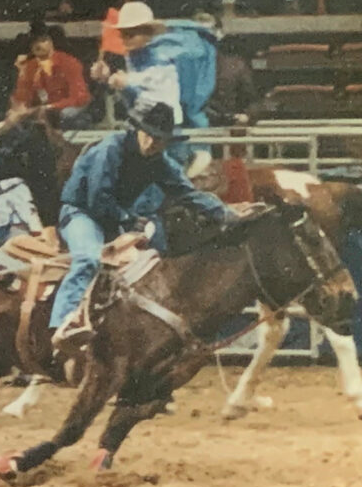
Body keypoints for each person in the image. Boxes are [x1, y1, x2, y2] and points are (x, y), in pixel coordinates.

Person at [49, 98, 235, 360]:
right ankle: (62, 326)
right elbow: (96, 199)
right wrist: (129, 219)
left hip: (116, 220)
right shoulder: (110, 150)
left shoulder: (160, 162)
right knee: (88, 258)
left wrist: (225, 213)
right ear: (137, 130)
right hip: (82, 214)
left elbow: (187, 193)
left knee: (148, 269)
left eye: (160, 139)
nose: (153, 143)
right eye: (150, 135)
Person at [93, 0, 218, 172]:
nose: (125, 39)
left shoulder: (162, 55)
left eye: (131, 34)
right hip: (142, 125)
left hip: (164, 129)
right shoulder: (133, 56)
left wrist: (125, 82)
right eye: (123, 34)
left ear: (148, 33)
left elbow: (154, 85)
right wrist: (106, 77)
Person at [10, 19, 89, 113]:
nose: (38, 45)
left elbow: (80, 98)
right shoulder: (29, 67)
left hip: (65, 111)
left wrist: (51, 107)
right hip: (40, 113)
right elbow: (22, 97)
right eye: (34, 42)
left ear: (52, 43)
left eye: (43, 40)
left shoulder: (69, 63)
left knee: (67, 114)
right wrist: (19, 108)